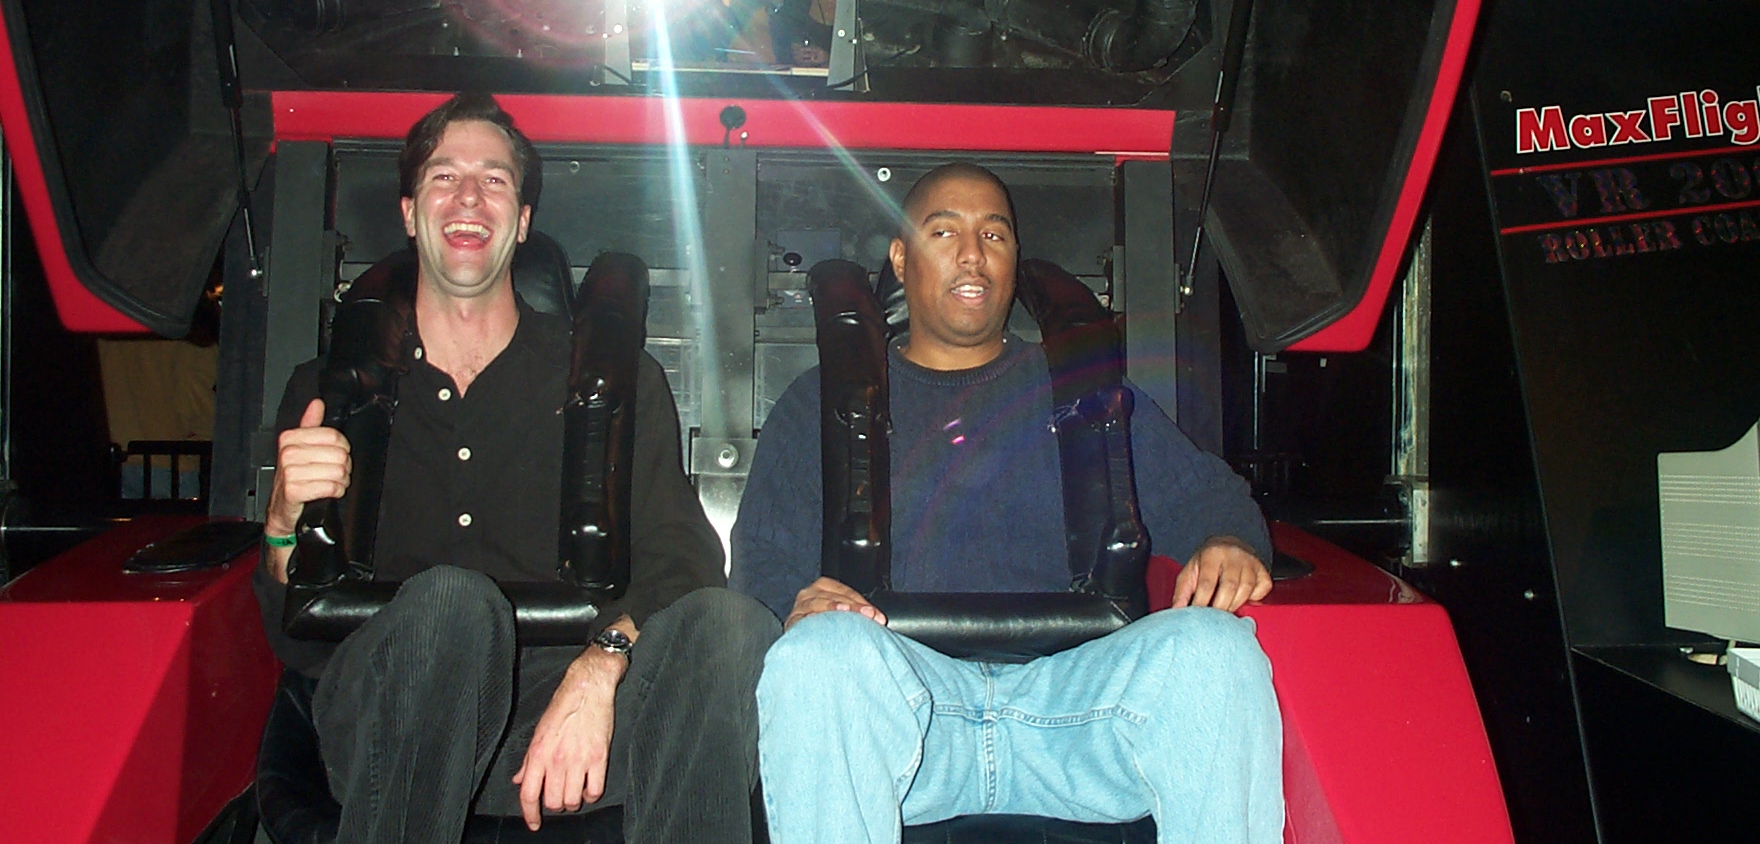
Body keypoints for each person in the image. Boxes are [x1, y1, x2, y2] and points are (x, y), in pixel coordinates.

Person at [254, 93, 778, 844]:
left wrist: (601, 666)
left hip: (574, 712)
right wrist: (281, 526)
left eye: (494, 180)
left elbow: (684, 564)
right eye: (445, 176)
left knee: (731, 625)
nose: (469, 196)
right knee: (452, 605)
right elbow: (295, 638)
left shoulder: (616, 383)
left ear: (523, 222)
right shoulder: (330, 390)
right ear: (409, 214)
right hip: (390, 712)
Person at [729, 162, 1283, 844]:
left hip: (1074, 713)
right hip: (909, 718)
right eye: (944, 232)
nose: (972, 254)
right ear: (900, 258)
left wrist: (1229, 540)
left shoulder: (1084, 396)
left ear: (1014, 261)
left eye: (993, 235)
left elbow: (1211, 498)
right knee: (817, 655)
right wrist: (798, 607)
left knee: (1216, 650)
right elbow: (761, 566)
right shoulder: (820, 404)